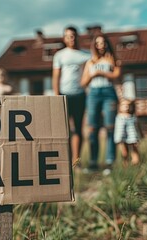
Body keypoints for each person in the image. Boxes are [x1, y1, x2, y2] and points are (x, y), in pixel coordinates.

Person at [81, 34, 121, 174]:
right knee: (92, 128)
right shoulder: (90, 62)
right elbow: (83, 82)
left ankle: (110, 162)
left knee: (110, 127)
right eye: (98, 43)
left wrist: (101, 73)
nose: (101, 45)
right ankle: (93, 162)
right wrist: (93, 75)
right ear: (94, 45)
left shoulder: (112, 59)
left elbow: (117, 75)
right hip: (93, 94)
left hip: (109, 93)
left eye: (103, 42)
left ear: (107, 44)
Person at [52, 26, 91, 165]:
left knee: (78, 128)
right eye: (68, 36)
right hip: (63, 95)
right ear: (64, 38)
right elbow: (56, 76)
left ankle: (76, 161)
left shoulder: (87, 54)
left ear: (77, 36)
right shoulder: (60, 55)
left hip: (80, 95)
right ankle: (64, 161)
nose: (71, 38)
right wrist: (56, 96)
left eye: (73, 35)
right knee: (64, 130)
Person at [114, 98, 140, 166]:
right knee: (124, 151)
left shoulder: (133, 117)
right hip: (122, 137)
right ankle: (125, 164)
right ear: (120, 106)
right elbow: (118, 129)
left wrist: (138, 137)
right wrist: (118, 139)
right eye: (124, 105)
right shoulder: (119, 117)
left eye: (128, 105)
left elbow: (136, 128)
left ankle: (135, 163)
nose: (127, 107)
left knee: (134, 149)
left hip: (132, 137)